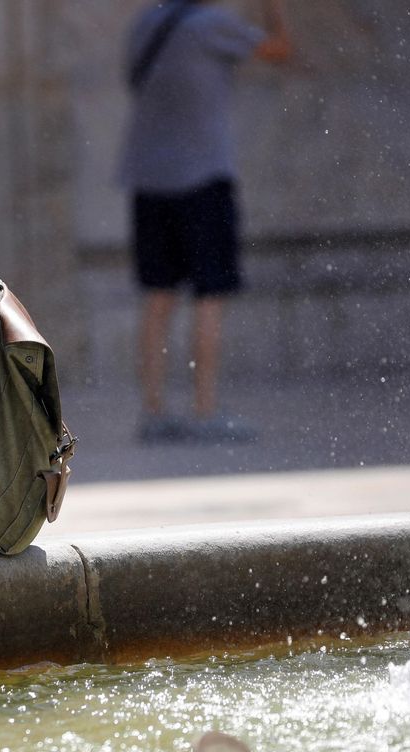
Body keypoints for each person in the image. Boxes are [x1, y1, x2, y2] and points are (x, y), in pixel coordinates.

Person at [118, 0, 291, 443]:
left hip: (148, 177)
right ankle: (204, 410)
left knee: (158, 297)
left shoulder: (145, 25)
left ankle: (153, 411)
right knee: (209, 296)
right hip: (203, 178)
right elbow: (280, 50)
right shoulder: (214, 25)